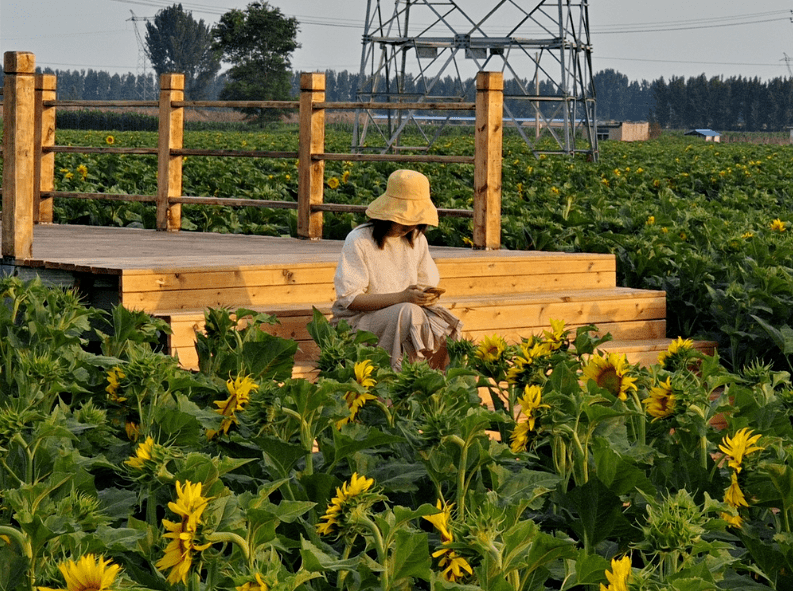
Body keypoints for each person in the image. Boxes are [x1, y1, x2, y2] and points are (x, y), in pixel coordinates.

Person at [331, 169, 463, 371]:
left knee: (443, 322)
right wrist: (402, 298)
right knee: (409, 312)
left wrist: (425, 297)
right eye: (405, 219)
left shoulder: (417, 239)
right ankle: (399, 379)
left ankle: (436, 386)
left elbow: (425, 283)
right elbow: (351, 299)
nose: (410, 226)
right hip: (360, 321)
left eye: (415, 220)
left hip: (406, 313)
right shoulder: (359, 240)